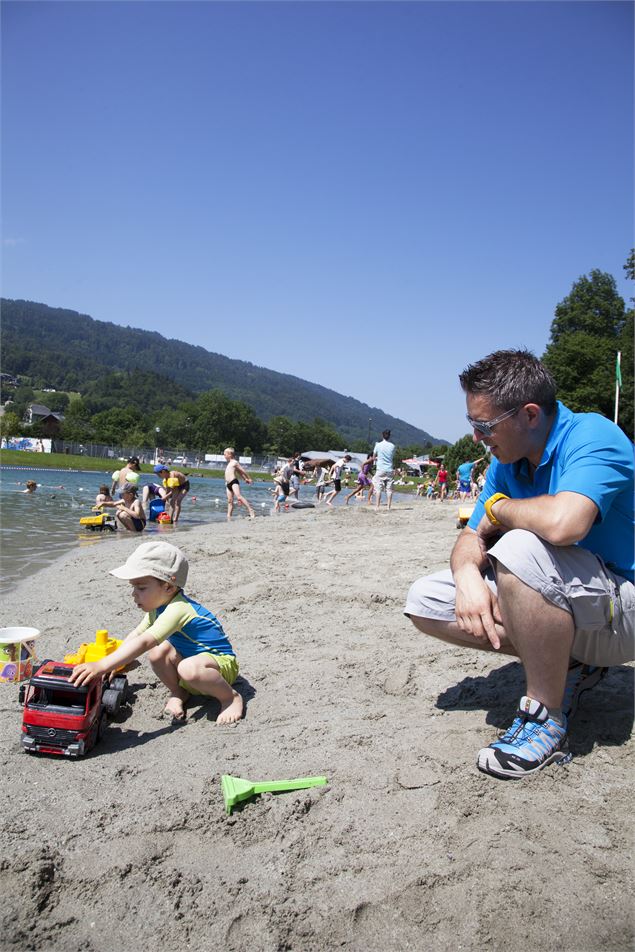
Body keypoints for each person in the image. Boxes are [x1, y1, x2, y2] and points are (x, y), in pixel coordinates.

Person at [405, 349, 634, 780]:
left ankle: (546, 718)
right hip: (580, 602)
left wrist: (501, 512)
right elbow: (471, 537)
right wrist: (466, 575)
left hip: (625, 609)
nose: (475, 437)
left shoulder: (592, 435)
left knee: (519, 546)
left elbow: (565, 524)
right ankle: (571, 665)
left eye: (484, 426)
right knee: (425, 601)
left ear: (530, 415)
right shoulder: (504, 464)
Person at [69, 541, 243, 724]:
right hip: (190, 661)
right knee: (157, 652)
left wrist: (101, 666)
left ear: (168, 587)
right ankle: (178, 692)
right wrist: (114, 663)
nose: (134, 594)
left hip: (220, 666)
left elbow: (144, 641)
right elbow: (137, 634)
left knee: (186, 667)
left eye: (141, 588)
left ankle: (230, 698)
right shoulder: (158, 607)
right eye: (133, 587)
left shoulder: (179, 609)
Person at [223, 448, 255, 520]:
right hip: (228, 484)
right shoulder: (229, 463)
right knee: (230, 501)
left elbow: (242, 471)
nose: (224, 456)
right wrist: (244, 479)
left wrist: (249, 478)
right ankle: (229, 516)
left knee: (239, 497)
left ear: (230, 454)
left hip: (234, 482)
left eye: (225, 455)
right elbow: (239, 473)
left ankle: (251, 510)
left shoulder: (234, 462)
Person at [372, 430, 396, 511]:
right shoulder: (393, 446)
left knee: (378, 489)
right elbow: (391, 457)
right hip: (389, 469)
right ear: (389, 436)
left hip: (380, 469)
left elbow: (373, 457)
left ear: (382, 435)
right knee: (389, 489)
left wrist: (377, 458)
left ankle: (377, 507)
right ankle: (388, 507)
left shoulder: (378, 445)